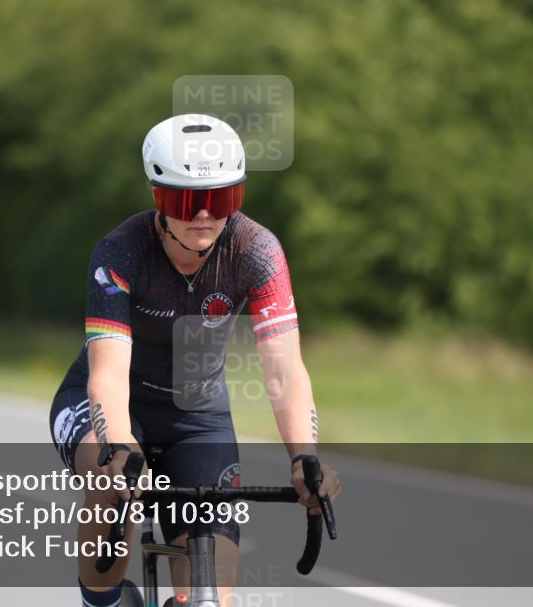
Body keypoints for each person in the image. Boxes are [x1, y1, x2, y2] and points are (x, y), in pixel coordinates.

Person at [49, 113, 340, 607]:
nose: (204, 215)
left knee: (212, 598)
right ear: (157, 197)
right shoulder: (120, 252)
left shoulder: (257, 251)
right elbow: (109, 375)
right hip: (113, 404)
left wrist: (304, 458)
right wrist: (120, 449)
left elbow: (285, 370)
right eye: (186, 201)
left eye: (221, 199)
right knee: (107, 481)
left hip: (197, 415)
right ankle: (102, 601)